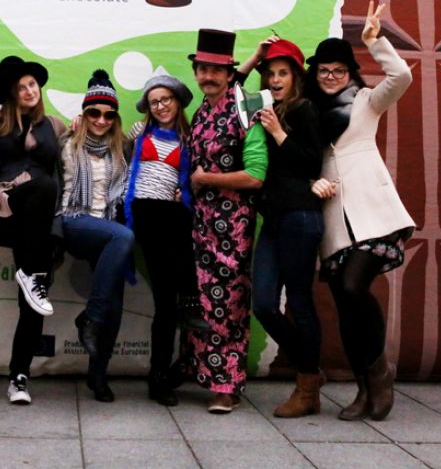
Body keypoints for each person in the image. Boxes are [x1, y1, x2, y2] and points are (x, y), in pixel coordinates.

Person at [308, 2, 415, 421]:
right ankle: (361, 388)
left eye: (338, 70)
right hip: (334, 222)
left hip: (373, 211)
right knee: (345, 306)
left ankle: (379, 374)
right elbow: (298, 160)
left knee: (354, 288)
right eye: (323, 70)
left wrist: (375, 41)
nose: (331, 77)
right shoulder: (309, 113)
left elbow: (402, 76)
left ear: (350, 73)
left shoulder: (367, 101)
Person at [183, 28, 268, 413]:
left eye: (217, 70)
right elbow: (235, 83)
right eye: (202, 69)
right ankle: (203, 374)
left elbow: (255, 175)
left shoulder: (245, 107)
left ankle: (227, 385)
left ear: (229, 73)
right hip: (200, 223)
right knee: (203, 301)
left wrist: (206, 180)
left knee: (228, 300)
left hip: (232, 224)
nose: (208, 76)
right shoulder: (203, 108)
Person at [241, 38, 326, 418]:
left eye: (282, 73)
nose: (275, 80)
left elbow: (311, 164)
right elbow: (232, 92)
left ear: (295, 77)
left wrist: (278, 133)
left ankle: (307, 387)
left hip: (301, 217)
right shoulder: (262, 108)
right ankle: (311, 367)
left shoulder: (305, 110)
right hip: (273, 218)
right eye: (270, 74)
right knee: (263, 303)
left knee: (300, 304)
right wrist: (256, 56)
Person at [0, 55, 67, 405]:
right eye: (21, 87)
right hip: (6, 214)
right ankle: (31, 277)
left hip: (37, 226)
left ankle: (19, 377)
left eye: (32, 84)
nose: (29, 90)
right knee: (44, 184)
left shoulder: (55, 125)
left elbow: (85, 144)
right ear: (12, 94)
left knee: (33, 302)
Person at [122, 73, 198, 406]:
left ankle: (163, 374)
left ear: (178, 101)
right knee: (172, 295)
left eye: (166, 99)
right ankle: (162, 372)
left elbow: (197, 175)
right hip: (145, 212)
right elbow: (108, 142)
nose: (161, 106)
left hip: (175, 214)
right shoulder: (139, 133)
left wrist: (190, 188)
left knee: (168, 301)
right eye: (154, 102)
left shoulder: (189, 137)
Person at [59, 70, 135, 403]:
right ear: (84, 114)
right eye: (94, 112)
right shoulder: (67, 143)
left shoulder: (122, 150)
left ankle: (98, 375)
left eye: (108, 114)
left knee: (115, 305)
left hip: (105, 229)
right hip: (73, 222)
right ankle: (89, 316)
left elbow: (157, 118)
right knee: (122, 238)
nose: (101, 120)